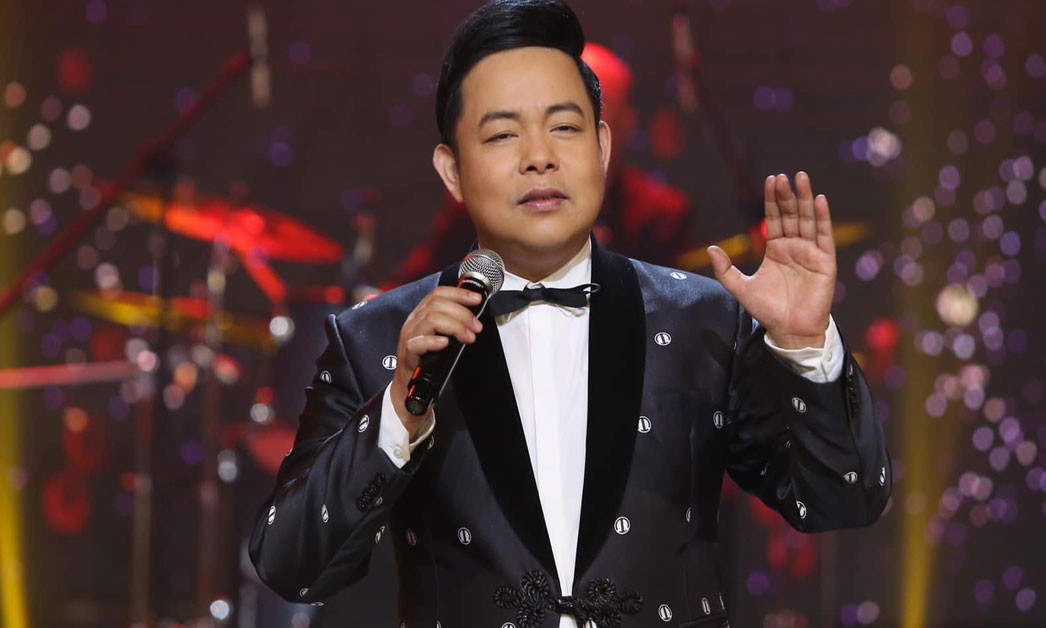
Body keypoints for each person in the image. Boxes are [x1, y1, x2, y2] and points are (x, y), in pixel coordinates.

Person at [249, 2, 890, 627]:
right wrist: (398, 411)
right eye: (503, 134)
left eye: (564, 127)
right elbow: (291, 566)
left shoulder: (703, 319)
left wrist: (805, 346)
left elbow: (845, 498)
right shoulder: (379, 338)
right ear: (452, 170)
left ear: (603, 147)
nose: (540, 156)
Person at [383, 42, 694, 287]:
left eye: (567, 124)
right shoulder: (485, 197)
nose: (541, 157)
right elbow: (417, 280)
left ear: (619, 127)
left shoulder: (660, 214)